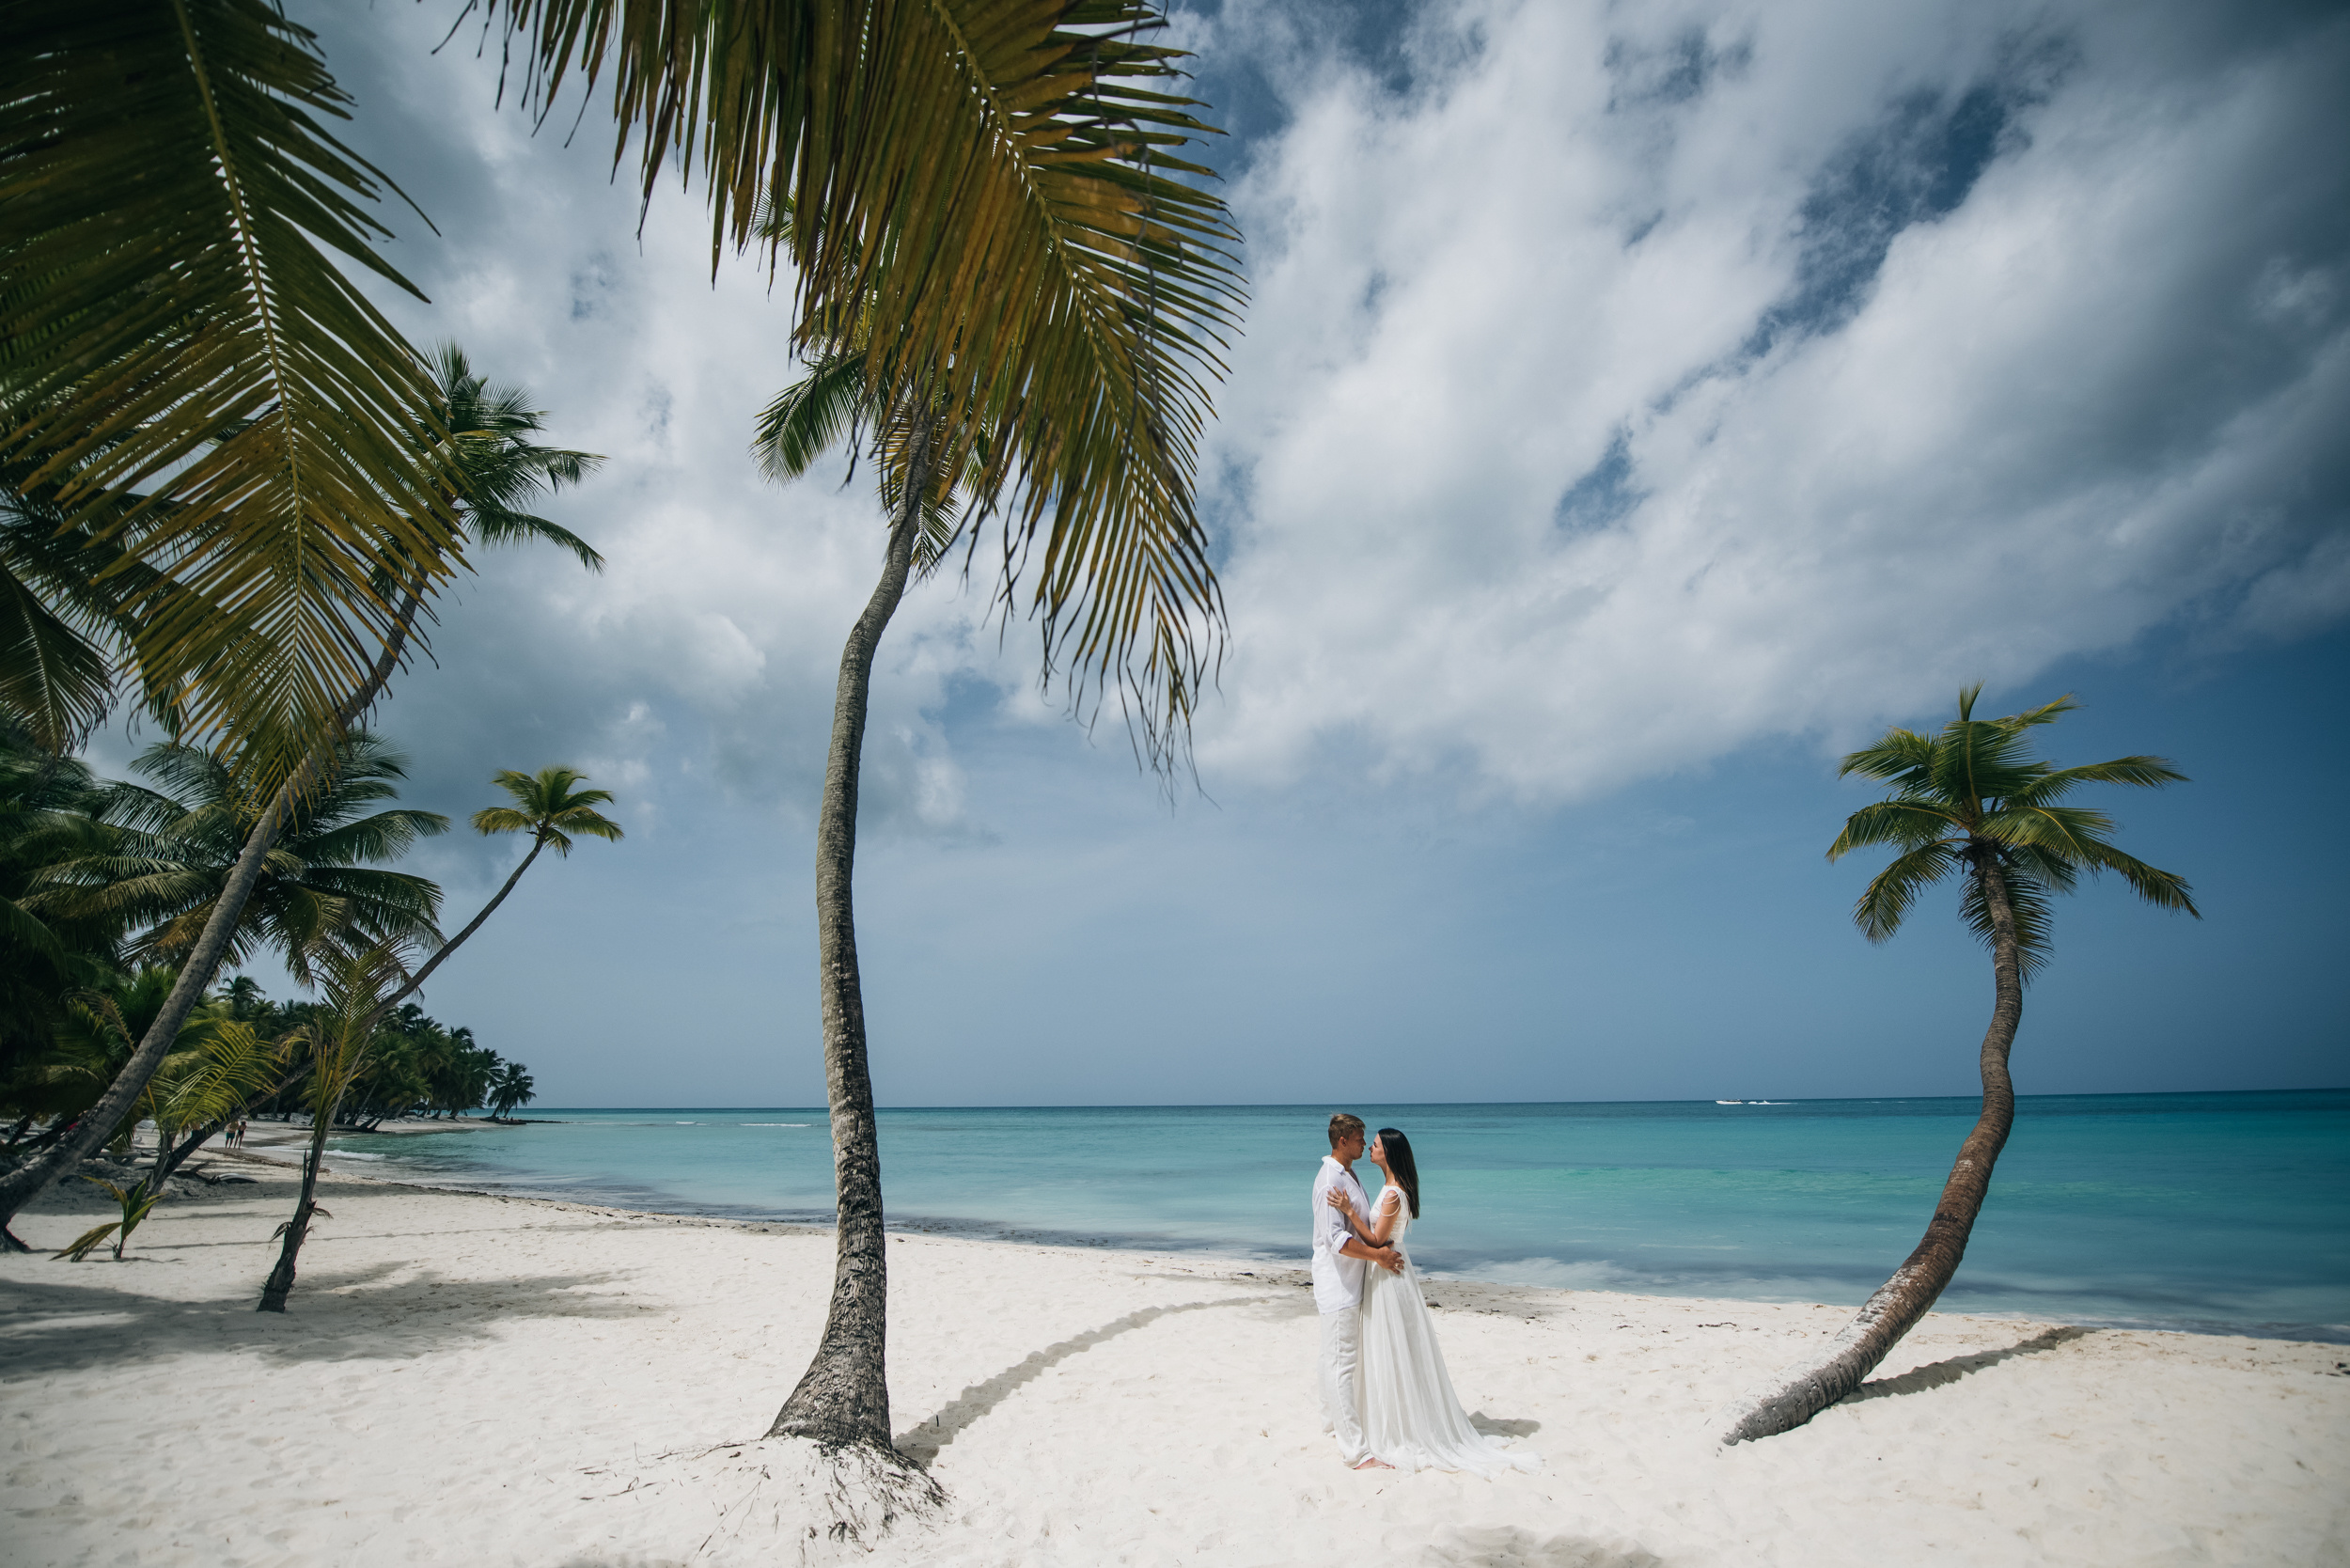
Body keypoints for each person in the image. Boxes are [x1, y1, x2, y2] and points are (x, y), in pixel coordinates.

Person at [1325, 1127, 1541, 1476]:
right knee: (1390, 1347)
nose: (1370, 1148)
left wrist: (1350, 1212)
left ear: (1389, 1153)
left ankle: (1402, 1424)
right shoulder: (1390, 1188)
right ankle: (1394, 1417)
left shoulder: (1394, 1193)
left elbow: (1379, 1241)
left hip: (1388, 1272)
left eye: (1376, 1145)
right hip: (1386, 1271)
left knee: (1394, 1346)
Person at [1311, 1113, 1404, 1469]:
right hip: (1339, 1285)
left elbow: (1358, 1222)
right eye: (1360, 1138)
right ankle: (1356, 1452)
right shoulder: (1329, 1181)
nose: (1364, 1144)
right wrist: (1378, 1256)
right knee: (1341, 1363)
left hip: (1350, 1281)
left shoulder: (1347, 1173)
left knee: (1332, 1358)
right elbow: (1335, 1239)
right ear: (1342, 1141)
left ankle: (1332, 1424)